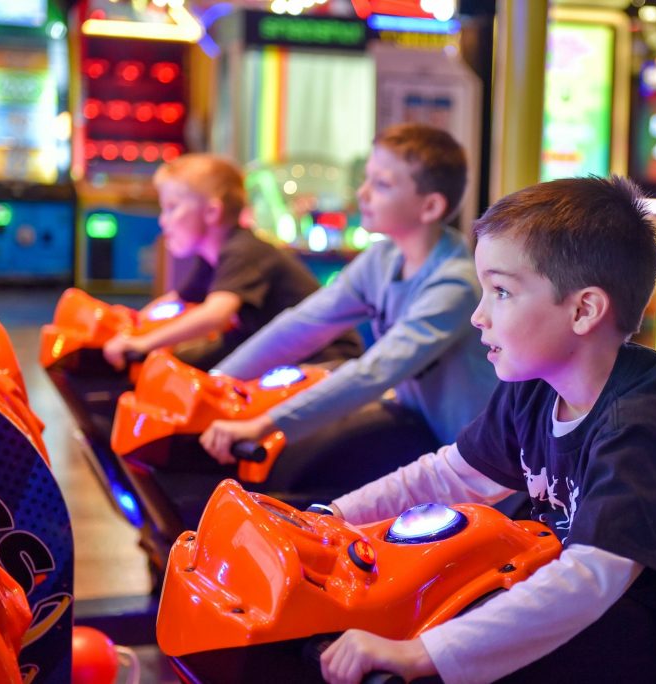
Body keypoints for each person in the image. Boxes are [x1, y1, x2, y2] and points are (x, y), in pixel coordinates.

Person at [316, 176, 656, 684]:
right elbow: (446, 476)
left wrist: (422, 653)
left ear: (584, 309)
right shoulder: (535, 387)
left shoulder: (640, 424)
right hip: (650, 606)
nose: (478, 316)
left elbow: (588, 580)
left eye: (501, 292)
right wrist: (328, 520)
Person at [197, 124, 498, 477]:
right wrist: (215, 382)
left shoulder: (454, 283)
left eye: (381, 184)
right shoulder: (382, 259)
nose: (363, 194)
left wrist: (263, 425)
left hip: (474, 466)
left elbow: (375, 372)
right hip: (420, 432)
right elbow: (303, 325)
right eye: (366, 179)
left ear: (430, 206)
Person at [102, 153, 361, 372]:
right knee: (174, 367)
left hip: (325, 357)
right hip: (269, 346)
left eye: (172, 208)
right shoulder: (213, 257)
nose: (163, 220)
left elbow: (214, 315)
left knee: (192, 378)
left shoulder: (244, 251)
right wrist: (131, 327)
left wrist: (144, 342)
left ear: (212, 212)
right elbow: (177, 301)